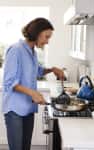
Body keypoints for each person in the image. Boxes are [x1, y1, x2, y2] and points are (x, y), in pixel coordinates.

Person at [2, 18, 64, 150]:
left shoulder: (32, 52)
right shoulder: (15, 50)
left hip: (28, 108)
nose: (47, 41)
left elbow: (38, 71)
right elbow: (9, 82)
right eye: (46, 37)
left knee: (26, 147)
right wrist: (32, 93)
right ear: (37, 33)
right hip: (15, 110)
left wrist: (52, 69)